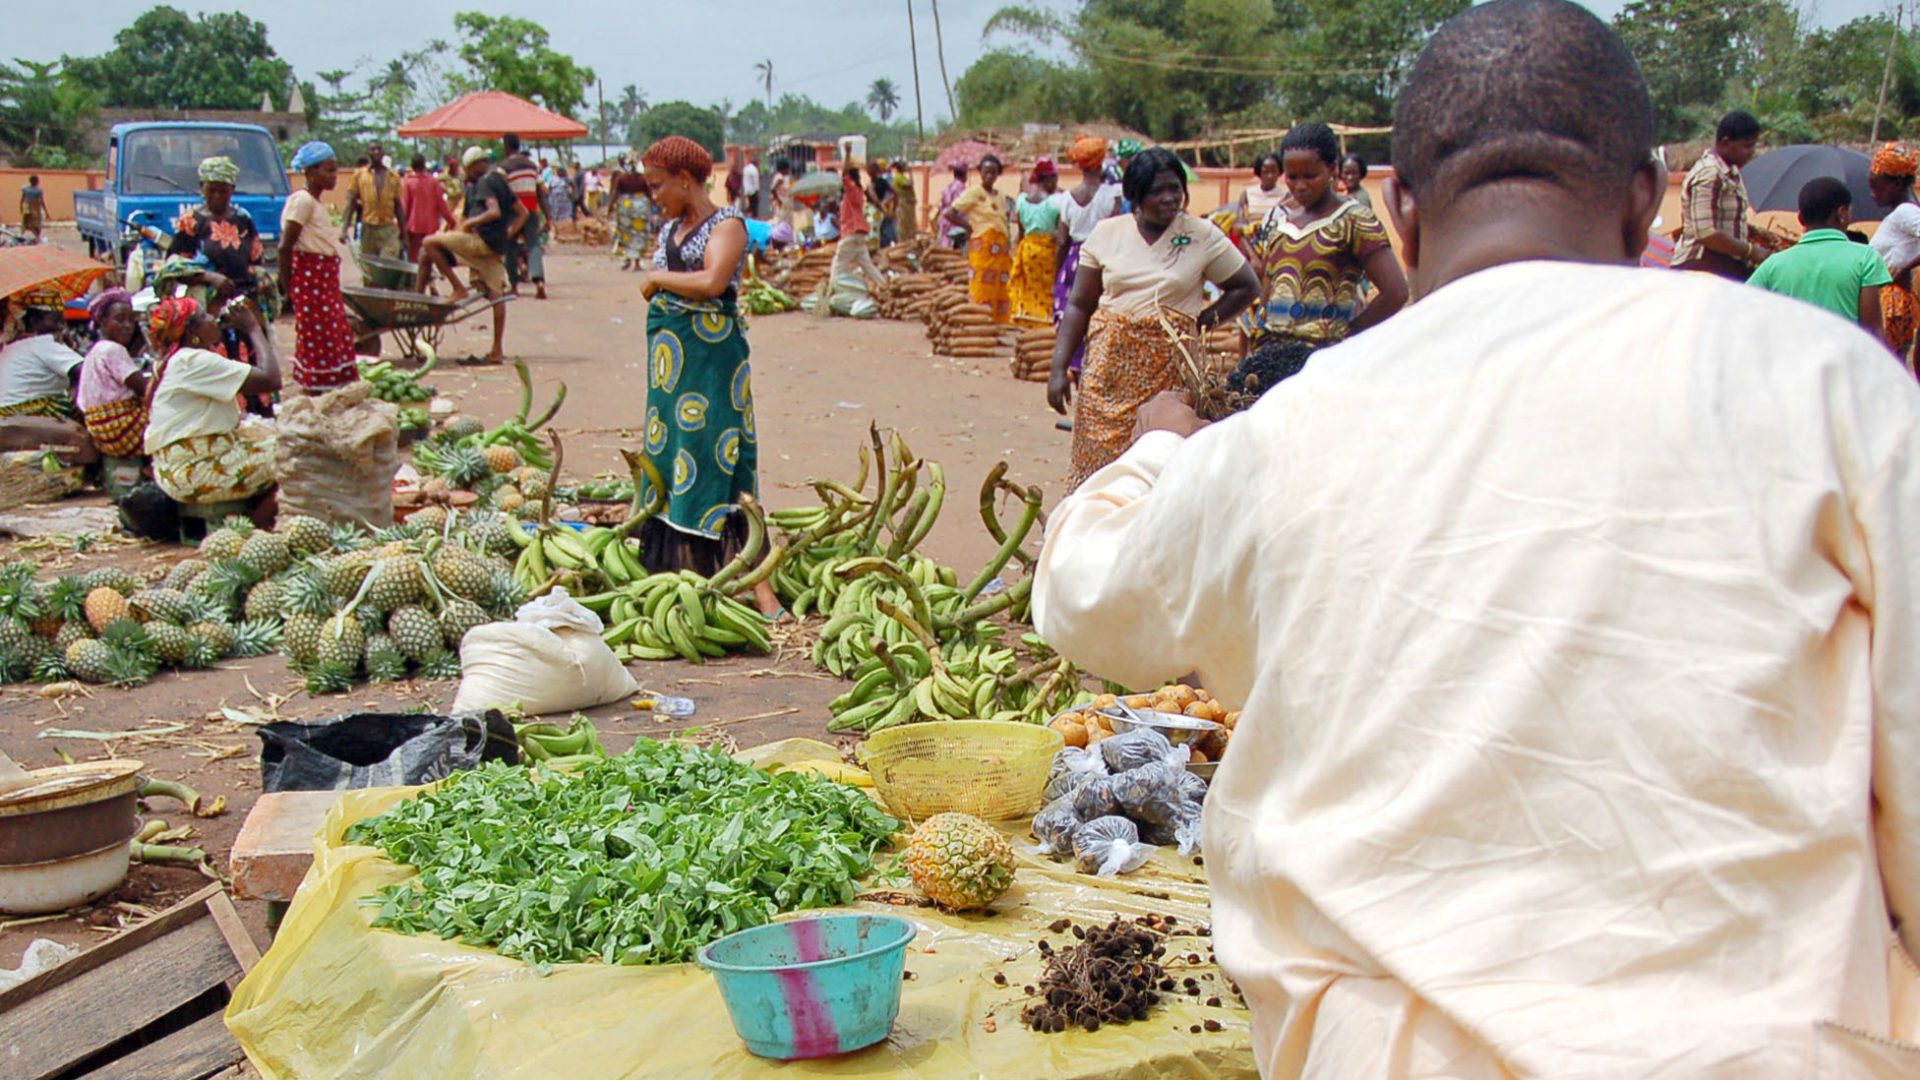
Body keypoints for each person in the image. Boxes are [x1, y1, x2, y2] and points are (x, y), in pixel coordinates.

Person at [1033, 1, 1920, 1074]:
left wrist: (1156, 449)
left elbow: (1087, 601)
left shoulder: (1292, 432)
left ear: (1399, 210)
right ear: (1646, 196)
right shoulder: (1826, 387)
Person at [1047, 148, 1259, 487]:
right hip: (1109, 371)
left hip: (1169, 371)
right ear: (1135, 195)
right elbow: (1079, 305)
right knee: (1098, 466)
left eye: (1175, 188)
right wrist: (1058, 368)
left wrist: (1196, 325)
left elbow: (1245, 286)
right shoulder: (1106, 233)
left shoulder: (1200, 234)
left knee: (1159, 459)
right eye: (1157, 191)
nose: (1169, 198)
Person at [633, 136, 779, 616]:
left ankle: (758, 586)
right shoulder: (671, 231)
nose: (655, 195)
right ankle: (686, 579)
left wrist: (658, 281)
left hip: (713, 366)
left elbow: (714, 281)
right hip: (673, 372)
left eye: (659, 185)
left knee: (720, 453)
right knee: (674, 451)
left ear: (685, 179)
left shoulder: (728, 224)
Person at [1246, 122, 1408, 349]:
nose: (1300, 186)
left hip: (1326, 362)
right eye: (1292, 177)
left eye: (1310, 176)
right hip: (1275, 359)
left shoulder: (1354, 221)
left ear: (1332, 170)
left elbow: (1396, 292)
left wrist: (1347, 336)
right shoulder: (1279, 220)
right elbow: (1268, 287)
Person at [143, 297, 281, 525]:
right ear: (192, 332)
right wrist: (253, 328)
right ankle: (251, 531)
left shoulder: (175, 359)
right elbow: (271, 379)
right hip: (197, 471)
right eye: (206, 316)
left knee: (274, 437)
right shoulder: (193, 361)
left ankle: (250, 517)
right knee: (299, 454)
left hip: (180, 466)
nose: (213, 319)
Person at [1748, 177, 1891, 342]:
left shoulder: (1773, 264)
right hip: (1845, 363)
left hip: (1792, 362)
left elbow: (1741, 306)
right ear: (1842, 213)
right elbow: (1872, 331)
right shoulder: (1866, 258)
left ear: (1800, 219)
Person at [416, 146, 522, 365]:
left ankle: (456, 288)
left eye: (468, 169)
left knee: (428, 244)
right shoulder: (499, 181)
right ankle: (496, 350)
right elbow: (523, 213)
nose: (468, 174)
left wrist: (470, 223)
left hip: (480, 242)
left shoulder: (485, 182)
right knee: (496, 296)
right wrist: (507, 235)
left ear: (475, 165)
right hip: (494, 248)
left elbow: (494, 212)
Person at [278, 141, 358, 393]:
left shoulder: (315, 202)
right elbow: (285, 247)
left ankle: (327, 388)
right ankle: (315, 390)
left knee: (331, 333)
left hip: (323, 278)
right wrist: (288, 289)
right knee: (317, 336)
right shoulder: (301, 201)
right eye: (328, 171)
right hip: (310, 279)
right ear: (310, 173)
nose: (334, 177)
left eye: (335, 171)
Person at [1050, 136, 1126, 374]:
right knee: (1102, 316)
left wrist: (1057, 274)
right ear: (1100, 161)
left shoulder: (1066, 200)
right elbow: (1116, 230)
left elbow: (1062, 240)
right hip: (1103, 260)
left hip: (1075, 262)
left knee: (1073, 315)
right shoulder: (1112, 194)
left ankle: (1074, 367)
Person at [1673, 110, 1774, 280]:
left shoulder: (1731, 172)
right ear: (1726, 143)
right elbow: (1706, 233)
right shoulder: (1709, 173)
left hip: (1724, 263)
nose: (1751, 152)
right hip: (1701, 264)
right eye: (1747, 146)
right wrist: (1751, 251)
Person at [76, 289, 149, 458]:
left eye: (132, 321)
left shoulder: (95, 350)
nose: (127, 326)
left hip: (101, 431)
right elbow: (145, 389)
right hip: (119, 428)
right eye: (119, 320)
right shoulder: (112, 349)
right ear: (102, 321)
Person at [946, 156, 1017, 324]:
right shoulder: (974, 193)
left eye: (993, 173)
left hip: (1000, 250)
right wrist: (969, 228)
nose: (990, 176)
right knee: (981, 287)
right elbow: (950, 213)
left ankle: (997, 325)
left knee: (1001, 289)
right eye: (986, 172)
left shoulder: (1000, 195)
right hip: (983, 248)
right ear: (980, 173)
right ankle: (979, 322)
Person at [1869, 142, 1920, 368]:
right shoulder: (1902, 213)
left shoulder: (1906, 212)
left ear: (1898, 183)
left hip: (1893, 302)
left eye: (1877, 188)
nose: (1873, 195)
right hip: (1890, 299)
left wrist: (1904, 266)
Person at [0, 304, 83, 420]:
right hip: (33, 410)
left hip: (8, 414)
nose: (61, 323)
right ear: (34, 321)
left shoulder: (11, 347)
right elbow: (85, 370)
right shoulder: (41, 343)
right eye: (55, 317)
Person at [1010, 159, 1062, 323]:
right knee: (1047, 289)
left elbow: (1021, 232)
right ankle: (1045, 322)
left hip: (1027, 250)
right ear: (1047, 179)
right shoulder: (1055, 202)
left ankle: (1029, 320)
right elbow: (1061, 234)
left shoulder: (1021, 200)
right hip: (1047, 252)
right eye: (1054, 179)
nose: (1056, 183)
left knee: (1030, 288)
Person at [499, 134, 547, 299]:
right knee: (533, 245)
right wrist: (548, 217)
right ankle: (539, 281)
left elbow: (502, 193)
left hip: (513, 213)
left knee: (510, 246)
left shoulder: (504, 167)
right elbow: (541, 192)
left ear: (506, 146)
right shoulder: (532, 166)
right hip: (532, 210)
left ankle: (514, 286)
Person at [343, 141, 404, 261]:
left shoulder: (393, 177)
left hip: (388, 229)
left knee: (389, 266)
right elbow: (351, 203)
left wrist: (405, 235)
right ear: (367, 153)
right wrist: (344, 229)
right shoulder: (359, 175)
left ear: (383, 152)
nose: (376, 152)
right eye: (372, 149)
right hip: (368, 229)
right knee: (370, 268)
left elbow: (398, 206)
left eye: (379, 149)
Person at [830, 166, 885, 293]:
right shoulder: (859, 191)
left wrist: (848, 153)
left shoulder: (851, 191)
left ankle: (830, 291)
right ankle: (884, 286)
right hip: (860, 235)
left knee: (838, 264)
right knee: (868, 266)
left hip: (850, 233)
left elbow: (844, 176)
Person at [401, 154, 456, 263]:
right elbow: (441, 204)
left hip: (414, 224)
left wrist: (401, 227)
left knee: (414, 254)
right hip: (430, 224)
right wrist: (451, 220)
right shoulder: (433, 182)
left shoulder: (408, 182)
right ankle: (426, 274)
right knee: (428, 252)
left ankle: (415, 276)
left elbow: (405, 206)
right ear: (424, 165)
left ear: (412, 166)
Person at [610, 168, 658, 271]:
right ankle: (636, 263)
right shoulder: (642, 179)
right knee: (639, 236)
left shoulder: (622, 178)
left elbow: (615, 193)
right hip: (640, 209)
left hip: (625, 208)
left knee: (625, 235)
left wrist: (610, 208)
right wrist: (655, 206)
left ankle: (626, 259)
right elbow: (649, 194)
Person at [1235, 152, 1290, 226]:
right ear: (1259, 172)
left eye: (1273, 171)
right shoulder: (1247, 194)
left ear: (1279, 172)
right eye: (1265, 172)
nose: (1270, 176)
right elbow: (1239, 221)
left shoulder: (1286, 195)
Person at [937, 164, 968, 249]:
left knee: (944, 246)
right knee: (954, 249)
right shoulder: (961, 187)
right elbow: (960, 207)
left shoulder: (949, 187)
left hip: (944, 221)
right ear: (965, 174)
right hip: (954, 222)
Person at [869, 159, 898, 247]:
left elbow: (875, 199)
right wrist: (893, 209)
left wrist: (881, 207)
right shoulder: (883, 181)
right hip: (883, 210)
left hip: (873, 212)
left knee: (874, 235)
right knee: (887, 233)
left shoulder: (871, 184)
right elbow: (896, 194)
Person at [891, 159, 917, 245]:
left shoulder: (900, 177)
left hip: (907, 202)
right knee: (904, 223)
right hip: (904, 203)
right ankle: (903, 242)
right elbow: (909, 184)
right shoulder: (898, 177)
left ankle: (907, 240)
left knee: (909, 223)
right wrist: (911, 173)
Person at [18, 176, 46, 242]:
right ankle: (36, 236)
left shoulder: (27, 188)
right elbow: (41, 201)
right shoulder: (37, 190)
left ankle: (34, 235)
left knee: (30, 222)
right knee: (32, 222)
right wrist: (45, 211)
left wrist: (21, 206)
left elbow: (22, 198)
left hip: (30, 206)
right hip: (32, 207)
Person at [770, 159, 794, 233]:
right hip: (782, 206)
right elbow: (773, 189)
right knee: (782, 224)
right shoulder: (779, 178)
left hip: (787, 206)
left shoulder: (785, 178)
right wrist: (778, 200)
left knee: (787, 224)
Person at [741, 151, 761, 217]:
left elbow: (745, 182)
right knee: (754, 209)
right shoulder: (755, 169)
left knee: (748, 209)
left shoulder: (745, 169)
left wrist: (746, 193)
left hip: (748, 191)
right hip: (754, 191)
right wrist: (758, 192)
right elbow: (756, 182)